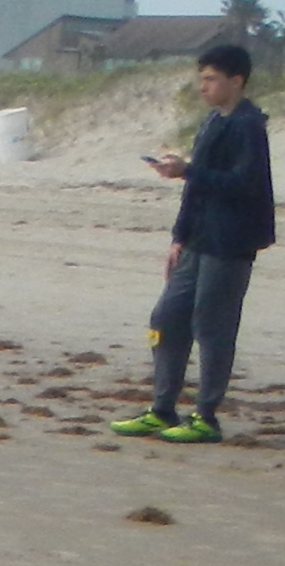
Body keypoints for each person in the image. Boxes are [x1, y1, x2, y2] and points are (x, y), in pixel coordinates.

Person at [115, 41, 274, 441]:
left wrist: (189, 171)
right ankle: (162, 407)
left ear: (236, 81)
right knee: (166, 319)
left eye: (211, 79)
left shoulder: (248, 124)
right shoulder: (213, 121)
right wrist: (178, 236)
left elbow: (245, 184)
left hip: (230, 242)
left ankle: (206, 415)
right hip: (198, 238)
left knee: (213, 326)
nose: (203, 86)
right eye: (201, 78)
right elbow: (197, 187)